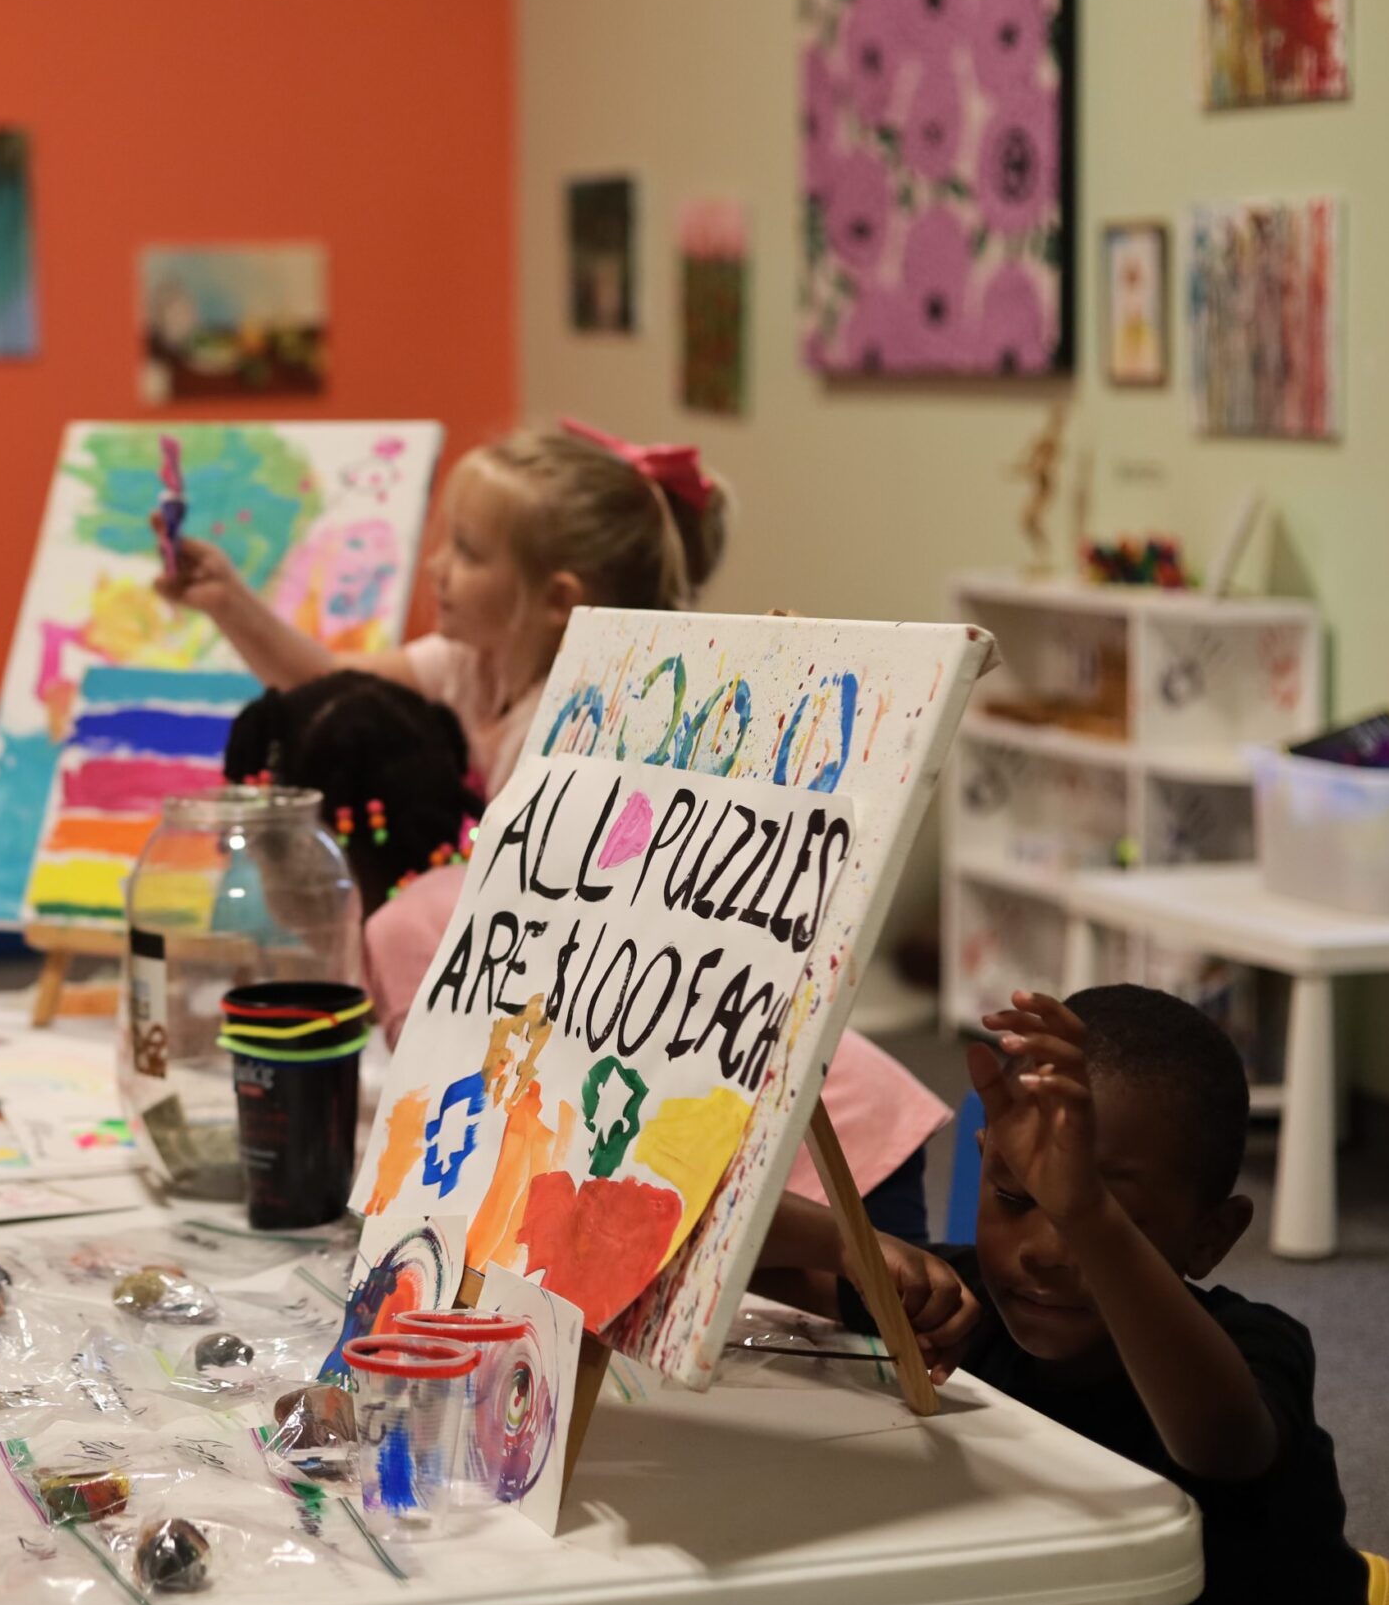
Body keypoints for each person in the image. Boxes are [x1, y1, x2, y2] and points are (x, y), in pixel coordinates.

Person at [223, 669, 945, 1239]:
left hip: (822, 1154)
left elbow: (461, 1141)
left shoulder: (404, 926)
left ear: (320, 833)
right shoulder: (483, 876)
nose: (261, 869)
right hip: (842, 1114)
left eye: (270, 842)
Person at [756, 987, 1367, 1605]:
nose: (1048, 1247)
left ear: (1213, 1236)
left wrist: (1090, 1216)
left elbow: (1219, 1444)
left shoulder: (1252, 1349)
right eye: (1018, 1197)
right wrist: (845, 1241)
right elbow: (717, 1251)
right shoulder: (960, 1301)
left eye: (1114, 1217)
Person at [164, 420, 730, 797]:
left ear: (556, 599)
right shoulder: (474, 661)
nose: (437, 567)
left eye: (468, 552)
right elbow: (325, 681)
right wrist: (227, 601)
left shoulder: (566, 736)